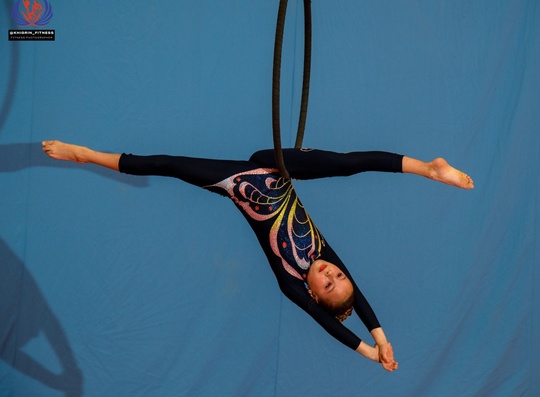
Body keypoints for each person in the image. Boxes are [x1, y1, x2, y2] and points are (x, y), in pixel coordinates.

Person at [42, 140, 474, 372]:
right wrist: (381, 338)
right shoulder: (322, 253)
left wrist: (366, 352)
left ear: (313, 295)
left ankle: (86, 155)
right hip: (280, 166)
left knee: (169, 165)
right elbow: (355, 298)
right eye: (339, 276)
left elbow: (328, 321)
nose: (331, 273)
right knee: (346, 164)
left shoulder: (291, 281)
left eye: (327, 284)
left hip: (238, 181)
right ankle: (428, 168)